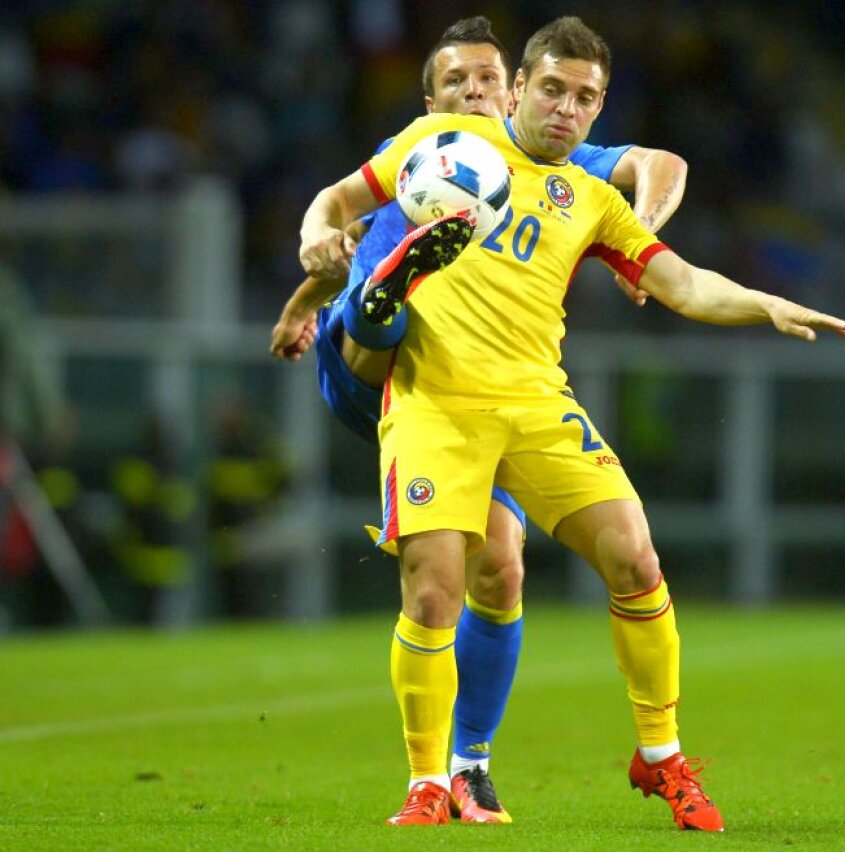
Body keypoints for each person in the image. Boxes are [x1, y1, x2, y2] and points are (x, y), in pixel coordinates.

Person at [298, 16, 845, 831]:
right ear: (518, 89)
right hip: (435, 401)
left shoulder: (592, 199)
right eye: (552, 89)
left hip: (534, 404)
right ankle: (428, 785)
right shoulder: (446, 138)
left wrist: (762, 303)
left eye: (584, 98)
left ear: (599, 111)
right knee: (434, 591)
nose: (565, 108)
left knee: (635, 555)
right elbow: (342, 198)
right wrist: (317, 233)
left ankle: (660, 756)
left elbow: (685, 285)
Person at [269, 16, 689, 825]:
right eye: (454, 82)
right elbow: (345, 226)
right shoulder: (433, 147)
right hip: (375, 370)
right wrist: (301, 301)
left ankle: (468, 767)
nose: (473, 92)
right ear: (429, 102)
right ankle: (383, 304)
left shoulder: (539, 154)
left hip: (469, 391)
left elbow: (659, 164)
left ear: (514, 90)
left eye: (487, 79)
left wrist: (642, 246)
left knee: (500, 566)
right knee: (385, 308)